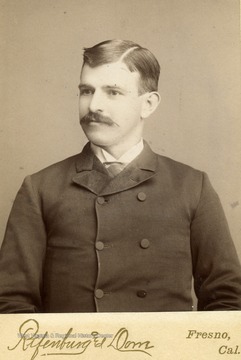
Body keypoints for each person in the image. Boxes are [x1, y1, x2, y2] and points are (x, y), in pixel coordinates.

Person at [0, 39, 241, 313]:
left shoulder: (192, 186)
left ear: (148, 104)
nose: (93, 106)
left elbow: (227, 302)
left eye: (113, 92)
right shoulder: (41, 188)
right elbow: (11, 304)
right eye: (86, 91)